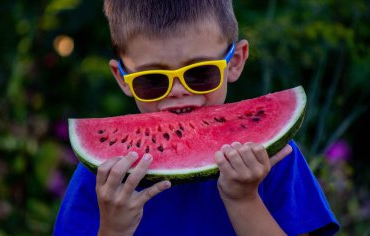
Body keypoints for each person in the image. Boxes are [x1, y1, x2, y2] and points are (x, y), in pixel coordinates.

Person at [54, 0, 340, 235]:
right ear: (123, 79)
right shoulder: (103, 177)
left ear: (235, 61)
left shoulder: (276, 158)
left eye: (200, 73)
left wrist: (244, 200)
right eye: (153, 80)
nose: (178, 91)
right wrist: (113, 230)